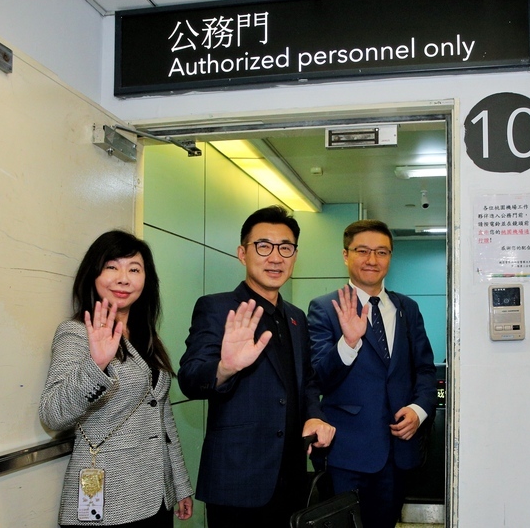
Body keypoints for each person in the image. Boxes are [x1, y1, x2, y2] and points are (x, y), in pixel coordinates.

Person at [178, 205, 336, 528]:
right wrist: (225, 367)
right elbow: (190, 379)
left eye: (286, 248)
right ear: (242, 253)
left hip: (291, 479)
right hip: (237, 482)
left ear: (294, 255)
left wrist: (314, 416)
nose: (275, 257)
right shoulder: (217, 308)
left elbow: (306, 382)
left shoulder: (296, 317)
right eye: (263, 246)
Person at [39, 230, 193, 527]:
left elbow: (161, 415)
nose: (124, 278)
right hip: (109, 502)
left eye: (134, 269)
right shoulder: (75, 333)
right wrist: (96, 365)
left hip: (155, 495)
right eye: (112, 267)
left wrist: (180, 484)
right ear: (93, 275)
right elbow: (52, 414)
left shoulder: (147, 337)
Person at [307, 219, 437, 528]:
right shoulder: (326, 308)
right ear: (345, 255)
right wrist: (348, 342)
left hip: (398, 453)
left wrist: (419, 410)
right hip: (347, 455)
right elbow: (318, 377)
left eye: (381, 252)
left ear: (390, 257)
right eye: (362, 250)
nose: (372, 260)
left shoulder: (408, 309)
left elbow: (425, 370)